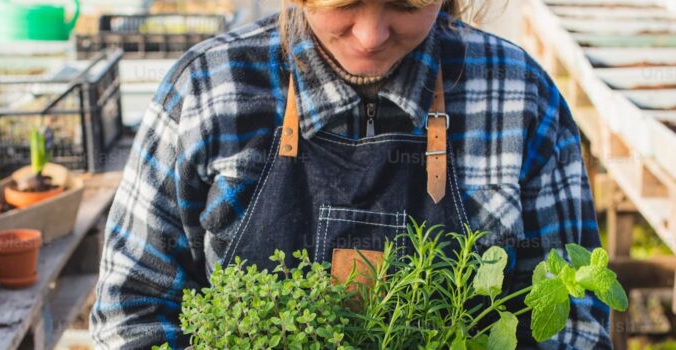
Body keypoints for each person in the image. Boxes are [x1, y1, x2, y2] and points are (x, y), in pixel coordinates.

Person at [90, 0, 612, 348]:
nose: (369, 35)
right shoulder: (209, 89)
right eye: (343, 1)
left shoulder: (517, 94)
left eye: (406, 4)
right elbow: (131, 308)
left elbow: (575, 322)